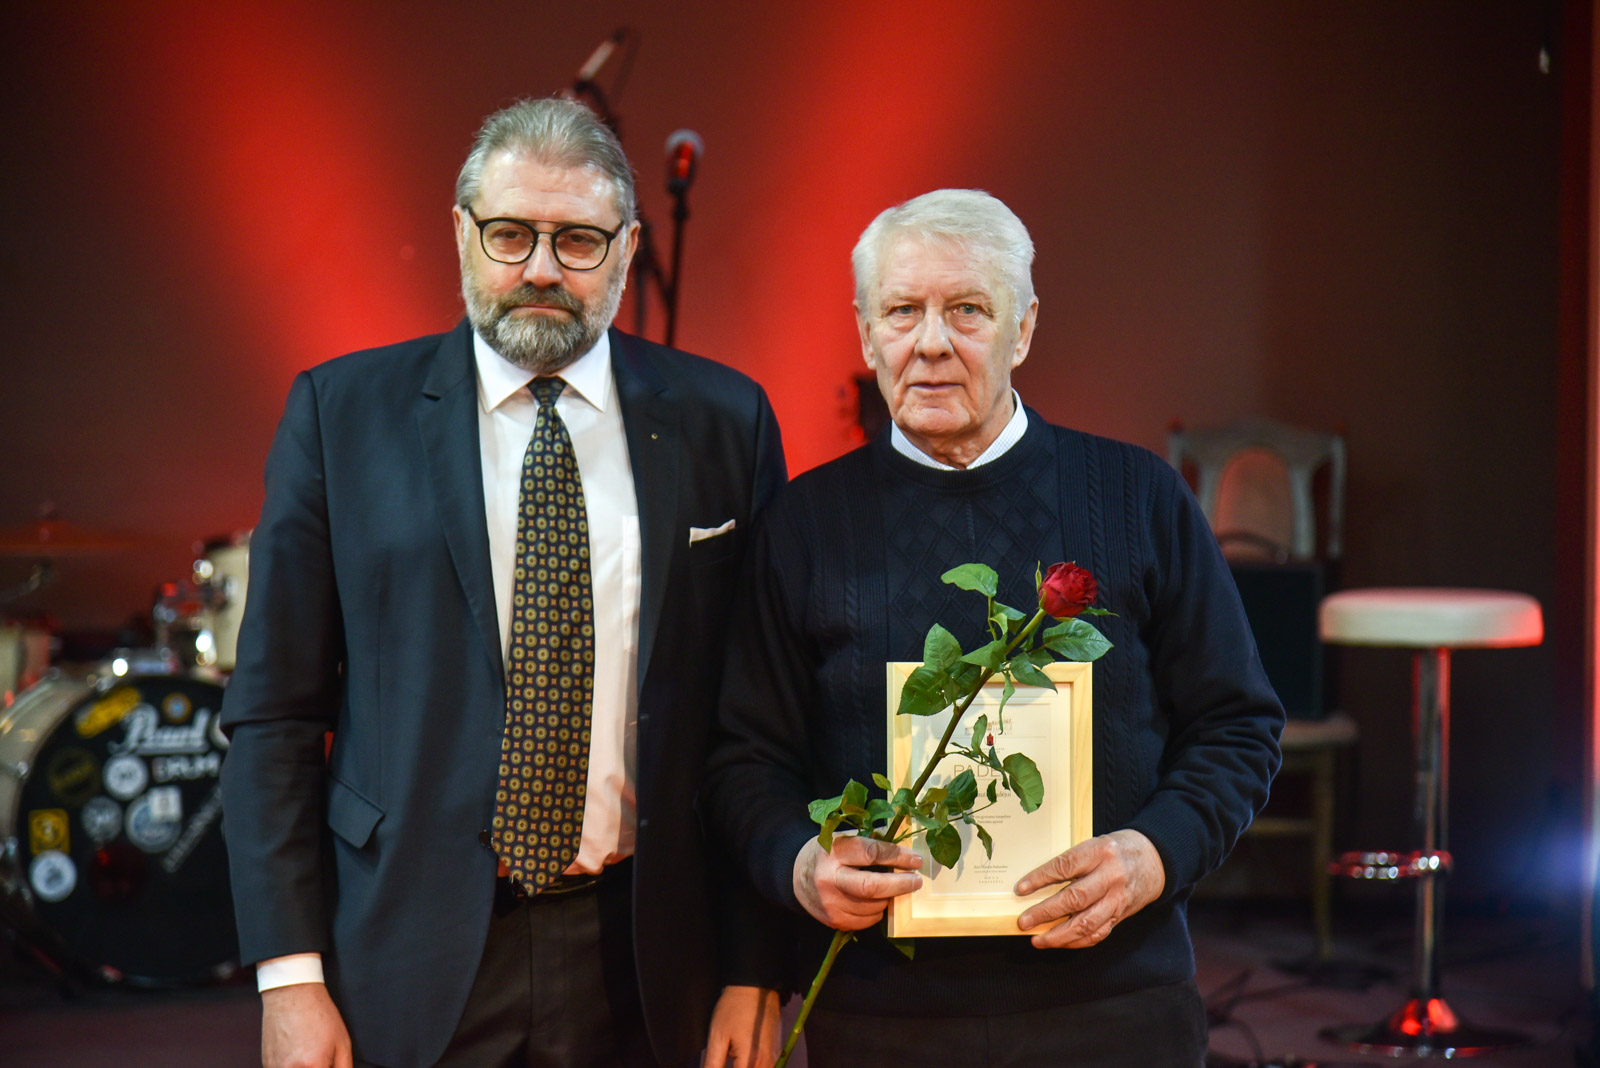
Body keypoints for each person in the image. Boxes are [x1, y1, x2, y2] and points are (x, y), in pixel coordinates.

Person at [220, 97, 787, 1068]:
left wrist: (755, 965)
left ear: (627, 248)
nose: (540, 269)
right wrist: (289, 977)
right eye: (510, 234)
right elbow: (274, 718)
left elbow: (761, 723)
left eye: (577, 241)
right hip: (402, 949)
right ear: (460, 233)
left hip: (652, 954)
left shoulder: (726, 420)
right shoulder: (340, 415)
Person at [705, 189, 1283, 1066]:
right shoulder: (802, 526)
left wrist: (1156, 854)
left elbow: (1238, 726)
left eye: (968, 310)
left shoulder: (1139, 498)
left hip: (1114, 998)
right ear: (866, 334)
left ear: (1023, 330)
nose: (931, 342)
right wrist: (797, 866)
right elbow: (745, 761)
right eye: (902, 311)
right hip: (882, 1017)